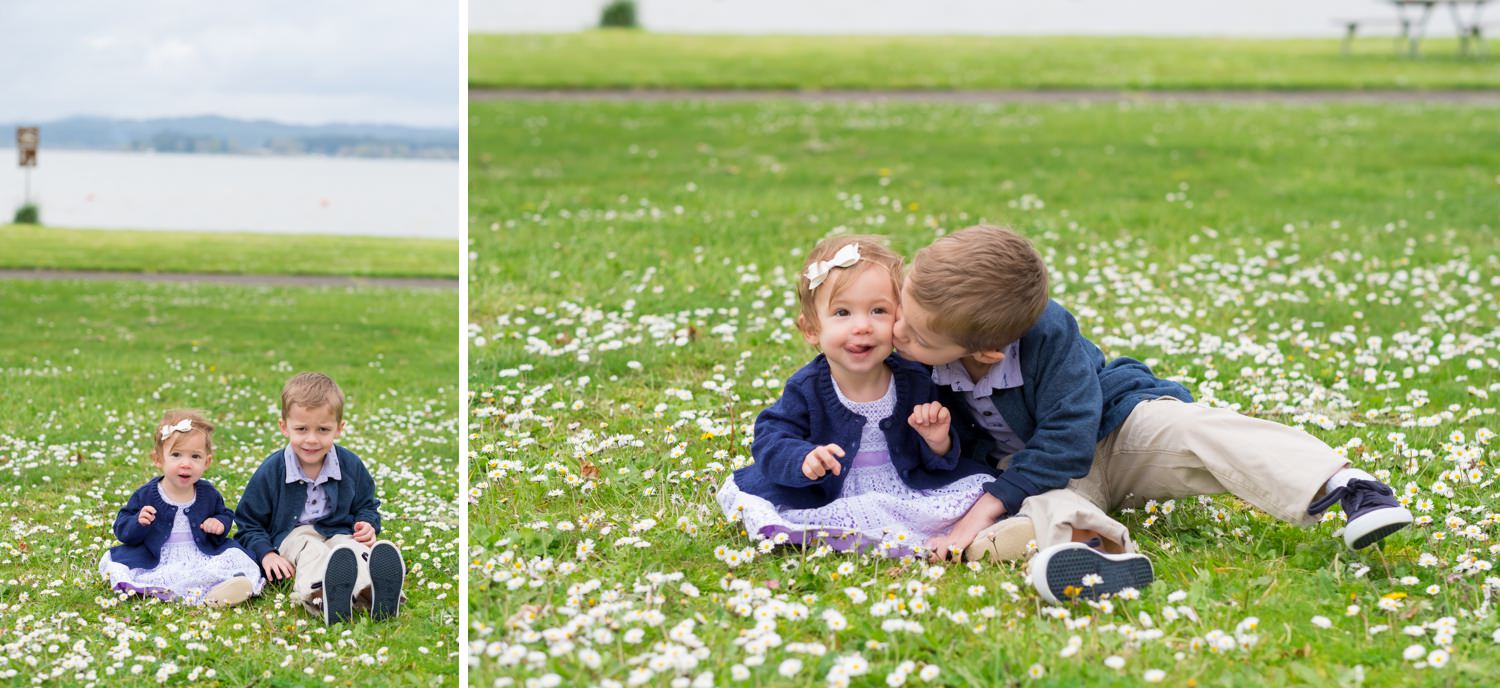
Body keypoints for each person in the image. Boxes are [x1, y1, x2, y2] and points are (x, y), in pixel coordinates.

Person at [892, 225, 1412, 602]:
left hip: (1115, 429)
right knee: (1030, 517)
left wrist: (983, 506)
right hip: (1034, 476)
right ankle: (1102, 555)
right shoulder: (914, 356)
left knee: (1194, 429)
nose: (898, 333)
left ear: (986, 353)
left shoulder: (1049, 333)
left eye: (915, 334)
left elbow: (1069, 440)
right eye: (902, 312)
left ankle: (1345, 486)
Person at [716, 235, 998, 558]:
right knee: (789, 507)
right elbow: (770, 437)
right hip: (835, 493)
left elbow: (944, 455)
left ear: (899, 318)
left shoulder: (915, 378)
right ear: (811, 329)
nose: (862, 326)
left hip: (905, 490)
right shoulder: (807, 387)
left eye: (878, 310)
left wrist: (938, 441)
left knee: (978, 490)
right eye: (842, 313)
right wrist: (803, 459)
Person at [234, 372, 405, 624]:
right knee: (311, 550)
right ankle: (321, 596)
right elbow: (248, 522)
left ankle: (374, 593)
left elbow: (366, 505)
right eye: (301, 429)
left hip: (338, 531)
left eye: (323, 429)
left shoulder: (350, 464)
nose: (311, 439)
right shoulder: (273, 470)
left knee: (352, 548)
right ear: (284, 427)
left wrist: (368, 524)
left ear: (339, 429)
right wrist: (267, 553)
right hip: (293, 536)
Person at [100, 410, 261, 606]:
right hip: (160, 557)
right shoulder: (147, 495)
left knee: (235, 559)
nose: (186, 464)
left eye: (195, 456)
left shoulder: (207, 493)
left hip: (200, 554)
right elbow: (122, 528)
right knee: (166, 574)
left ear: (206, 462)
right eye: (176, 455)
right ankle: (185, 592)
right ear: (158, 459)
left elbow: (223, 513)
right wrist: (138, 522)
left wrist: (219, 523)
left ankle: (222, 591)